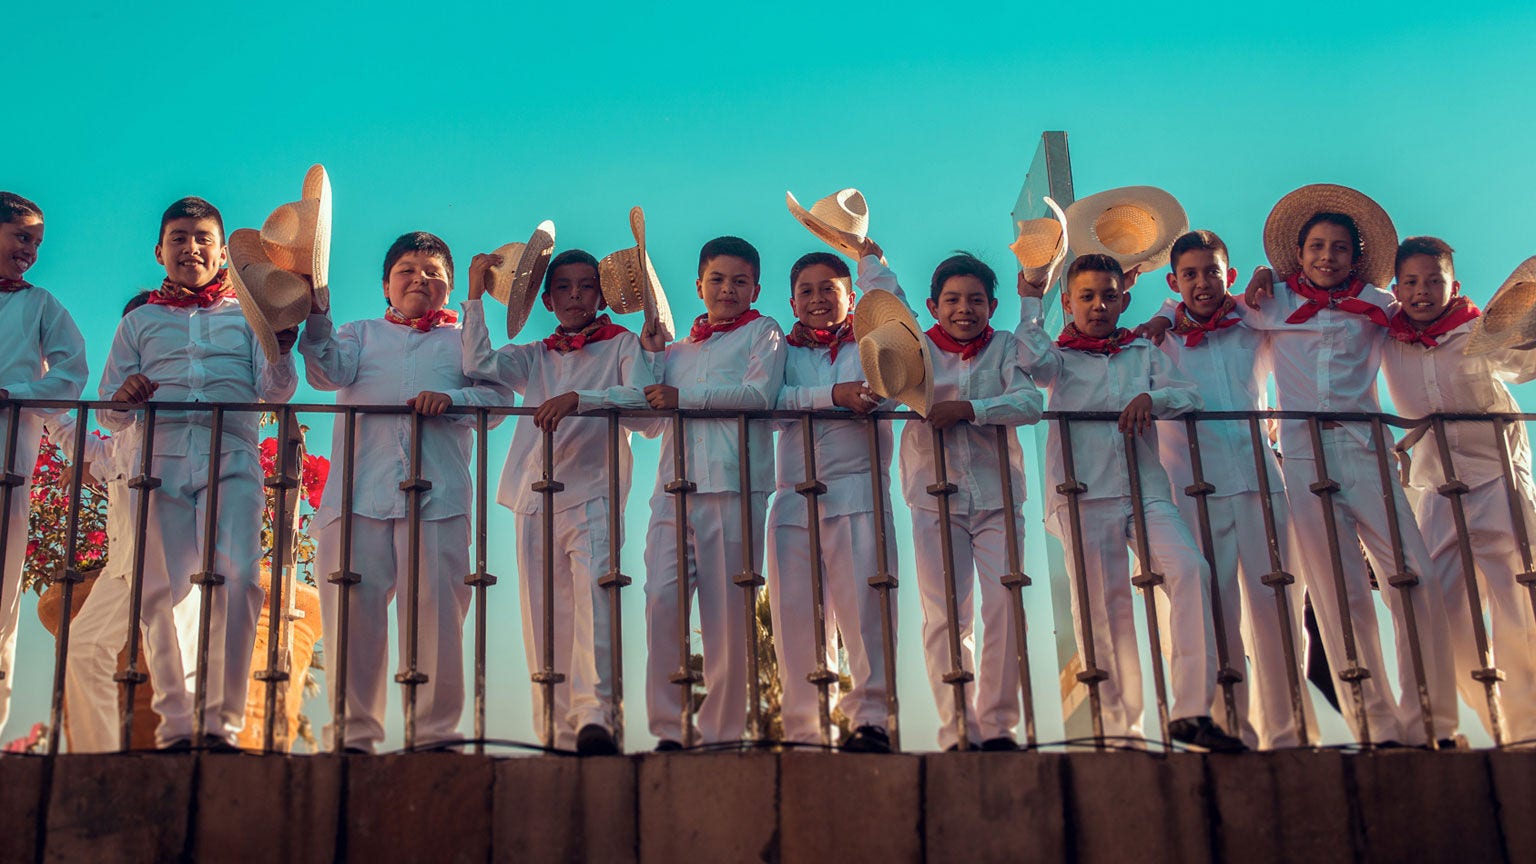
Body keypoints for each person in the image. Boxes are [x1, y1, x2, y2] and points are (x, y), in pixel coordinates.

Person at [1241, 185, 1459, 747]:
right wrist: (1174, 312)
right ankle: (1376, 724)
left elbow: (1437, 314)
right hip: (1304, 456)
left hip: (1366, 452)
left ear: (1356, 256)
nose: (1327, 256)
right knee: (1340, 594)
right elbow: (1205, 311)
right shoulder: (1273, 303)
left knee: (1416, 576)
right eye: (1317, 245)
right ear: (1300, 250)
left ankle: (1431, 720)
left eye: (1340, 247)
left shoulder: (1382, 305)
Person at [1016, 252, 1243, 751]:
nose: (1099, 306)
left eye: (1109, 296)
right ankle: (1123, 731)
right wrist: (1031, 303)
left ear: (1124, 299)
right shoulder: (1058, 356)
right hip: (1083, 493)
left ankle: (1191, 710)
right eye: (1088, 296)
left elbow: (1189, 396)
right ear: (1068, 301)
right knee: (1106, 607)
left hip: (1146, 490)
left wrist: (1151, 400)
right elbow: (1029, 363)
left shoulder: (1143, 354)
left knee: (1189, 570)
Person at [97, 197, 297, 749]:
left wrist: (279, 350)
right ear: (160, 250)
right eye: (179, 237)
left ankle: (221, 724)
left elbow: (277, 393)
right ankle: (178, 725)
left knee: (238, 580)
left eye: (204, 237)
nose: (192, 247)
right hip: (155, 461)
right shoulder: (138, 321)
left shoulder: (248, 315)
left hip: (230, 454)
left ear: (224, 251)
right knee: (161, 587)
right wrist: (125, 396)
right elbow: (111, 413)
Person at [301, 231, 507, 753]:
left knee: (437, 617)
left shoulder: (465, 338)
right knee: (353, 617)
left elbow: (498, 398)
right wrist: (318, 310)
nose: (421, 280)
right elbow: (327, 372)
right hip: (357, 496)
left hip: (438, 499)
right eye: (408, 271)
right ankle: (354, 735)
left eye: (434, 272)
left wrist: (453, 398)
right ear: (386, 285)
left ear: (452, 286)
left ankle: (435, 736)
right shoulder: (359, 333)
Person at [461, 246, 653, 755]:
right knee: (543, 613)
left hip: (593, 491)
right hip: (534, 494)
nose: (575, 295)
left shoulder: (622, 344)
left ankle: (596, 719)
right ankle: (553, 730)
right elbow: (478, 362)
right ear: (547, 299)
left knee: (596, 599)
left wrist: (582, 401)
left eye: (586, 286)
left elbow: (647, 407)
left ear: (601, 293)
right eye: (563, 287)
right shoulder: (535, 354)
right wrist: (475, 295)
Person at [1137, 230, 1309, 749]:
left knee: (1279, 610)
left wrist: (1267, 276)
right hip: (1192, 489)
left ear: (1228, 276)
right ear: (1173, 282)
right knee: (1215, 612)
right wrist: (1166, 313)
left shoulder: (1250, 322)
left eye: (1212, 271)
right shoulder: (1154, 340)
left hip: (1260, 480)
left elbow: (1293, 292)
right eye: (1189, 274)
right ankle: (1231, 730)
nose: (1202, 283)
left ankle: (1289, 733)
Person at [885, 250, 1044, 751]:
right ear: (933, 306)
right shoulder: (918, 352)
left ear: (993, 305)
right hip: (933, 497)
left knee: (1005, 605)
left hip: (999, 496)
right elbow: (886, 319)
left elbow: (1029, 403)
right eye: (952, 299)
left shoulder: (1006, 348)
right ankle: (958, 727)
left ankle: (997, 725)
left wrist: (970, 408)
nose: (964, 309)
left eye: (975, 299)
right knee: (946, 613)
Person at [1382, 238, 1536, 745]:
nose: (1422, 292)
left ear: (1454, 286)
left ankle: (1527, 732)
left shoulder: (1478, 329)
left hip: (1498, 479)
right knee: (1440, 609)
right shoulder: (1384, 333)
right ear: (1396, 287)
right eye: (1411, 282)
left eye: (1434, 281)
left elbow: (1521, 364)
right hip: (1437, 487)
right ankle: (1470, 720)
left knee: (1520, 606)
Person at [639, 235, 786, 749]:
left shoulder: (764, 333)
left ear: (755, 288)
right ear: (698, 284)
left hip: (732, 484)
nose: (728, 290)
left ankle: (722, 732)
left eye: (739, 281)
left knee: (726, 614)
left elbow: (757, 394)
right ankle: (668, 727)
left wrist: (686, 397)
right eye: (718, 279)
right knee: (660, 599)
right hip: (672, 488)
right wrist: (652, 358)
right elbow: (649, 424)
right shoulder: (679, 351)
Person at [766, 240, 898, 753]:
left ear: (850, 295)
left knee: (866, 612)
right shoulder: (777, 348)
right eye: (806, 291)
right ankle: (805, 730)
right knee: (795, 616)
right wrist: (833, 397)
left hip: (858, 490)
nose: (818, 298)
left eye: (830, 289)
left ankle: (871, 722)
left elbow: (897, 317)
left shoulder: (874, 339)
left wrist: (871, 264)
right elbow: (769, 403)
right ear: (792, 302)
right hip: (793, 497)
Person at [0, 191, 88, 738]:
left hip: (7, 460)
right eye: (22, 236)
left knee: (0, 598)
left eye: (36, 242)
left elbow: (72, 374)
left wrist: (13, 394)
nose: (31, 251)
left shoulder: (41, 305)